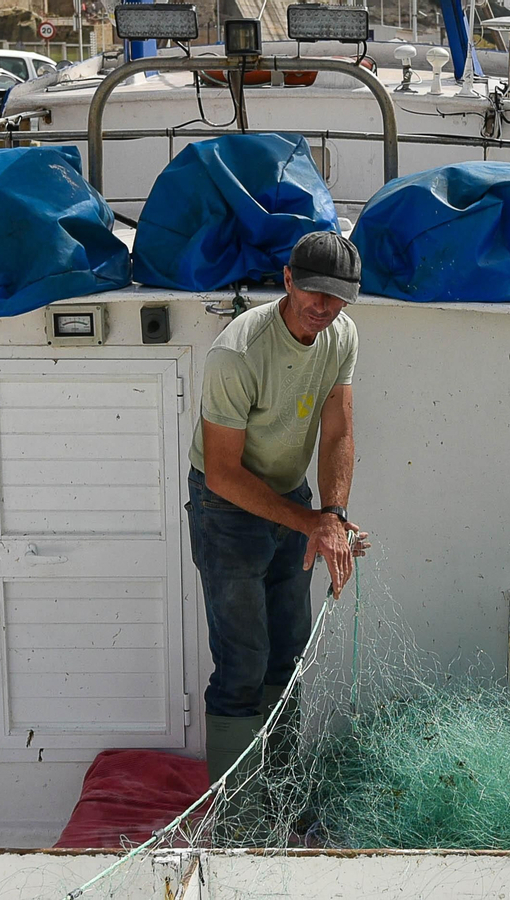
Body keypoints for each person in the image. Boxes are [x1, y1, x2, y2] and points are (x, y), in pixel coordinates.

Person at [186, 230, 366, 782]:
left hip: (295, 503)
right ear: (287, 281)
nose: (324, 307)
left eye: (336, 296)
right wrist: (314, 523)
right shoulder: (237, 353)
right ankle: (236, 815)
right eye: (313, 292)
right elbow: (221, 473)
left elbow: (337, 433)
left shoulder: (342, 335)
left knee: (287, 658)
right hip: (226, 509)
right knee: (242, 665)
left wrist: (331, 516)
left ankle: (279, 794)